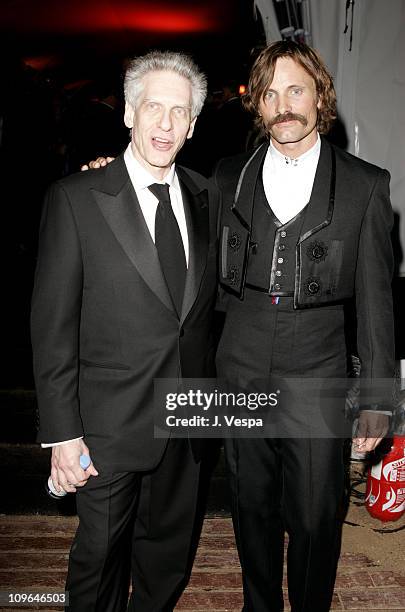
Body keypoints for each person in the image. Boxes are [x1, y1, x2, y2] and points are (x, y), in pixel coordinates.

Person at [31, 50, 219, 612]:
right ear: (128, 114)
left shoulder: (209, 197)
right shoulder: (76, 199)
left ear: (192, 124)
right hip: (105, 429)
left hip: (187, 421)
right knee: (97, 566)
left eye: (178, 112)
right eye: (153, 107)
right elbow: (51, 327)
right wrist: (63, 434)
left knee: (167, 560)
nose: (165, 123)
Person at [214, 40, 395, 611]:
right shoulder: (226, 177)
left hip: (318, 362)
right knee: (251, 505)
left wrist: (377, 398)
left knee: (318, 513)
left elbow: (377, 302)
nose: (283, 105)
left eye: (296, 90)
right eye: (269, 94)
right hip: (240, 363)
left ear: (320, 96)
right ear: (257, 105)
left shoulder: (366, 185)